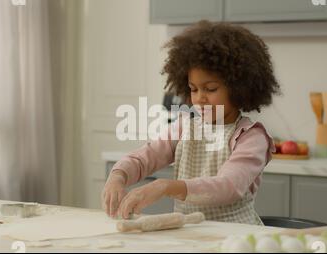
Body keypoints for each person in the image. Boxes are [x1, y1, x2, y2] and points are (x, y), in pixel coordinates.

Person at [103, 20, 279, 224]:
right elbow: (145, 157)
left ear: (239, 88)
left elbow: (228, 186)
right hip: (190, 235)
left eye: (210, 89)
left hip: (234, 237)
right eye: (194, 89)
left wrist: (166, 186)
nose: (200, 98)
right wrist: (118, 175)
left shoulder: (251, 137)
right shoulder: (185, 126)